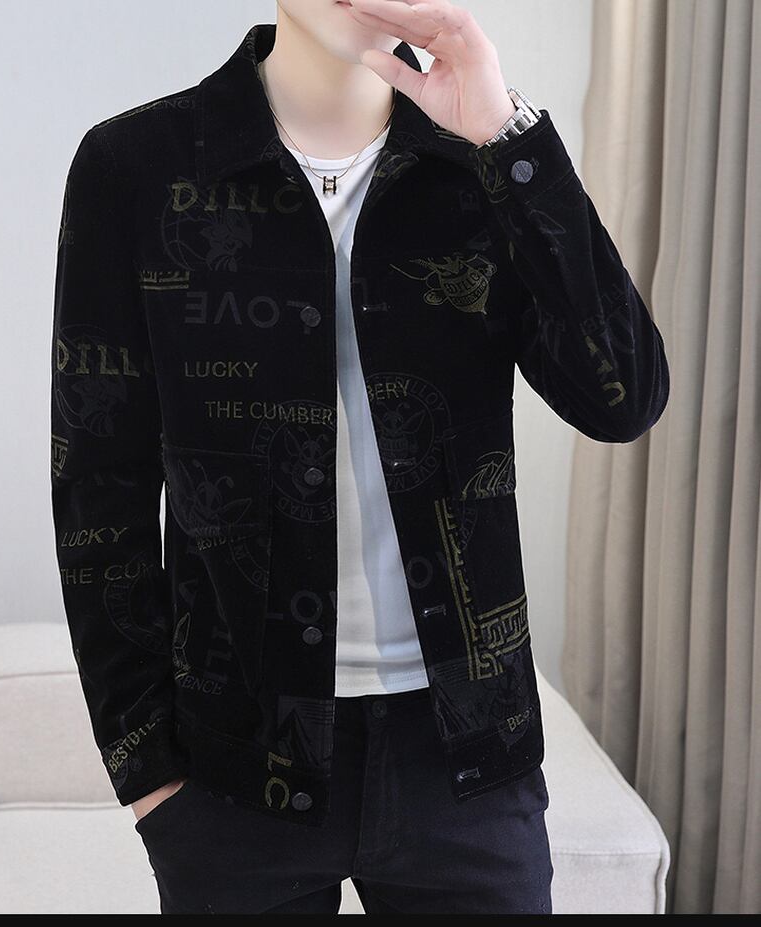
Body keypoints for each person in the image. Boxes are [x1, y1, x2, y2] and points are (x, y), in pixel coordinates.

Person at [50, 0, 669, 915]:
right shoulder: (134, 167)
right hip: (232, 763)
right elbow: (99, 483)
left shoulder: (482, 163)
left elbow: (623, 397)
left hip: (466, 757)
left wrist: (509, 142)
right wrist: (147, 770)